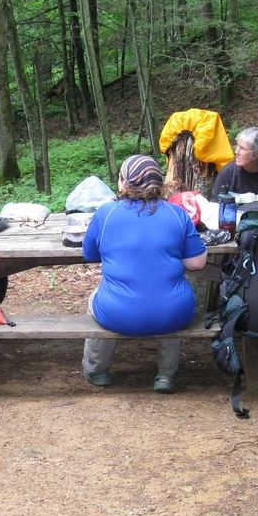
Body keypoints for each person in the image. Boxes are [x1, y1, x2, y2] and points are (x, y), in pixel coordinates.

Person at [81, 155, 208, 393]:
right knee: (172, 295)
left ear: (124, 182)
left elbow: (89, 254)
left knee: (95, 299)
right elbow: (198, 263)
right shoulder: (178, 214)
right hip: (174, 314)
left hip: (118, 313)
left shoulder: (106, 213)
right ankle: (165, 375)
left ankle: (96, 370)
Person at [211, 125, 258, 201]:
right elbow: (215, 204)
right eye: (237, 146)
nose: (236, 152)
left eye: (242, 148)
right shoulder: (227, 173)